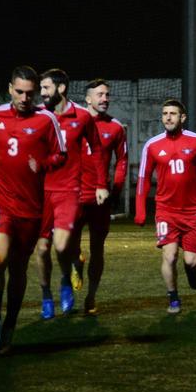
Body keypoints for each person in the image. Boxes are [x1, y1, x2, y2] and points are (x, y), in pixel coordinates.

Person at [0, 65, 65, 352]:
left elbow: (61, 154)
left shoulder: (46, 120)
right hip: (0, 201)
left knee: (19, 268)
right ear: (10, 89)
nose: (24, 98)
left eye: (30, 93)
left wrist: (43, 165)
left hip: (31, 207)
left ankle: (10, 322)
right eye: (19, 92)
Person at [36, 68, 102, 319]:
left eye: (46, 88)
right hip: (40, 192)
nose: (41, 93)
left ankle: (65, 279)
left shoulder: (82, 117)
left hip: (68, 190)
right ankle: (45, 296)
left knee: (61, 246)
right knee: (42, 249)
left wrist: (100, 184)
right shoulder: (39, 116)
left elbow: (96, 148)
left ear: (61, 88)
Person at [135, 99, 196, 313]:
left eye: (173, 114)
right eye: (165, 113)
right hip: (165, 211)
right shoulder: (152, 145)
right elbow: (142, 179)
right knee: (169, 256)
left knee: (191, 261)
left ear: (182, 118)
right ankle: (173, 298)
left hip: (192, 212)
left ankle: (191, 269)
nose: (168, 117)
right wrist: (141, 210)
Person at [76, 78, 128, 314]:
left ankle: (91, 297)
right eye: (99, 95)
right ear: (88, 99)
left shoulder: (115, 128)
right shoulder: (73, 123)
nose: (105, 99)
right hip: (74, 197)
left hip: (100, 199)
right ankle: (76, 262)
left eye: (107, 94)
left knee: (98, 249)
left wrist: (115, 188)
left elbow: (122, 161)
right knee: (67, 246)